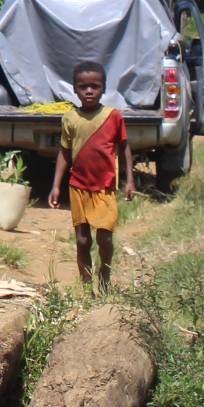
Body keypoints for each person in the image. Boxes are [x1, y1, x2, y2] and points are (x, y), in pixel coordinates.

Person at [47, 60, 131, 292]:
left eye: (95, 86)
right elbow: (64, 152)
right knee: (83, 240)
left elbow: (124, 147)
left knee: (105, 237)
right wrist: (56, 186)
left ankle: (104, 275)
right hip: (78, 186)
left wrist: (129, 180)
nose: (89, 91)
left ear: (104, 88)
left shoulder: (113, 116)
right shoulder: (69, 118)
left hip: (105, 187)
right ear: (75, 89)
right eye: (83, 86)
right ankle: (86, 286)